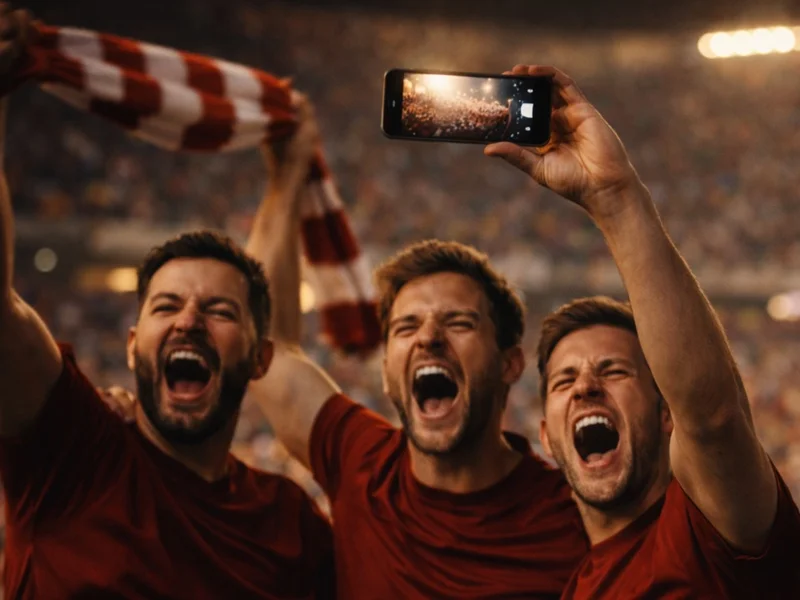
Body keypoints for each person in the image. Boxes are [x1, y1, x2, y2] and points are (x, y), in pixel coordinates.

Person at [0, 7, 333, 599]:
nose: (188, 321)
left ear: (257, 360)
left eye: (219, 311)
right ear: (132, 348)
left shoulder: (291, 524)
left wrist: (286, 180)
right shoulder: (74, 452)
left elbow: (283, 342)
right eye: (165, 306)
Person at [235, 82, 590, 599]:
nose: (428, 337)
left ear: (511, 362)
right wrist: (287, 175)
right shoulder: (360, 463)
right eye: (406, 327)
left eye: (459, 323)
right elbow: (265, 341)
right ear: (385, 369)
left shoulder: (578, 517)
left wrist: (616, 198)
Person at [485, 64, 800, 598]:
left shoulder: (712, 532)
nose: (585, 386)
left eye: (612, 370)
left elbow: (715, 417)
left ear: (665, 415)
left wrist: (616, 198)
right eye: (563, 381)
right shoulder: (577, 586)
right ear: (545, 437)